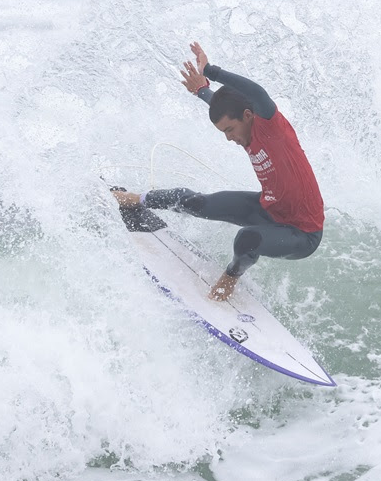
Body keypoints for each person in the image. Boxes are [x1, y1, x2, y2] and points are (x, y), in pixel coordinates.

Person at [114, 42, 325, 300]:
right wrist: (203, 90)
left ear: (248, 116)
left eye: (229, 131)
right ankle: (136, 199)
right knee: (196, 202)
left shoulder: (272, 128)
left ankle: (229, 279)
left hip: (301, 234)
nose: (229, 139)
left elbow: (258, 93)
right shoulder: (242, 124)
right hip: (269, 208)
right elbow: (223, 106)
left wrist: (211, 71)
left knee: (247, 239)